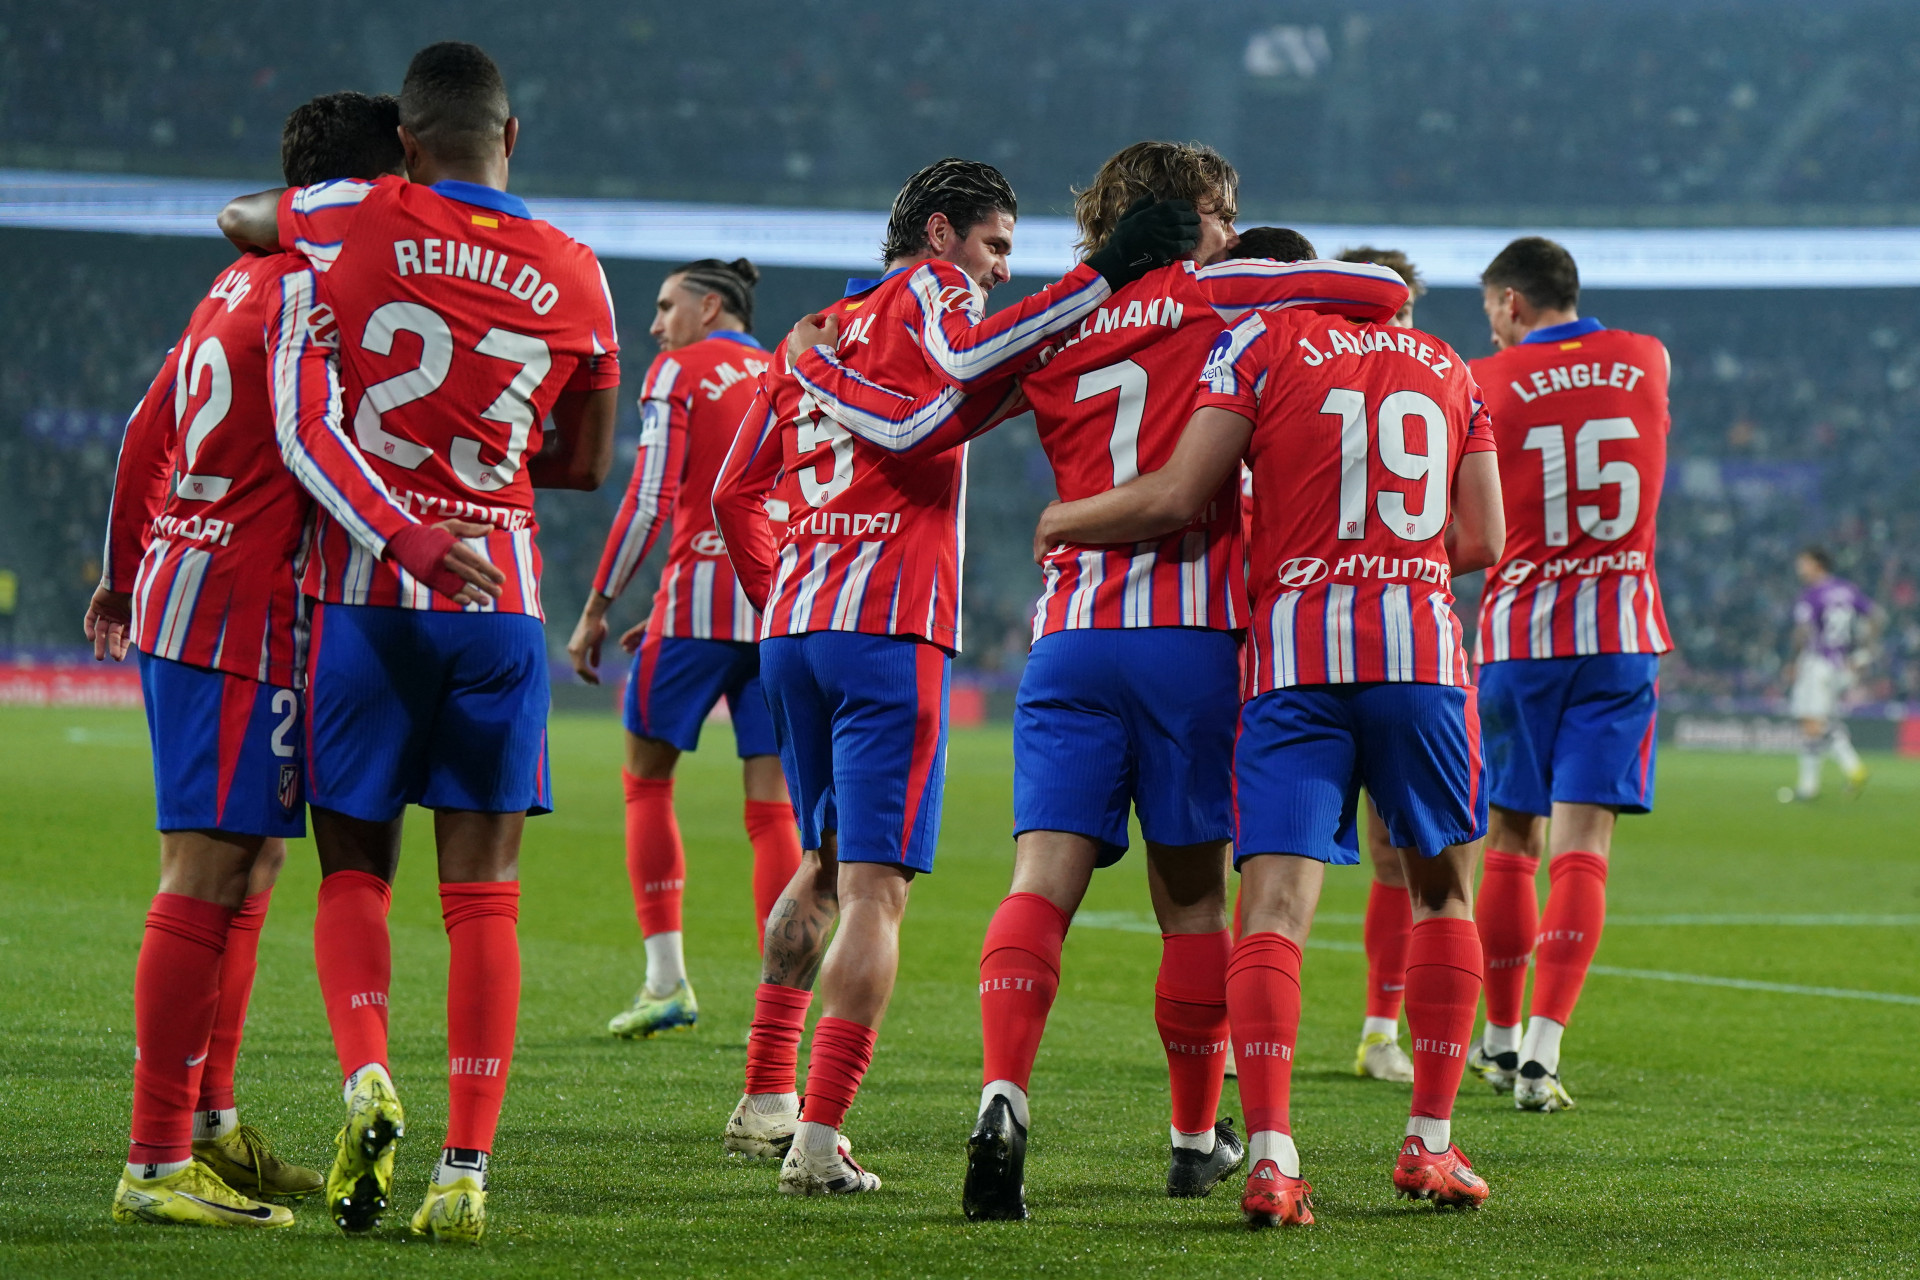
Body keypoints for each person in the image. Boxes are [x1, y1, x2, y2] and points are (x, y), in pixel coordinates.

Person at [784, 149, 1409, 1218]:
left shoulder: (1053, 324)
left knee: (1039, 884)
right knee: (1194, 900)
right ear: (1185, 217)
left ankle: (1002, 1095)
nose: (1227, 230)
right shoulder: (1223, 294)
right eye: (1218, 212)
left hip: (1070, 635)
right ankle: (1188, 1135)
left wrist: (812, 357)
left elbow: (936, 408)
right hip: (1193, 633)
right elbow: (1383, 294)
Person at [710, 157, 1197, 1197]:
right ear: (941, 235)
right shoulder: (932, 294)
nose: (997, 272)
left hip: (795, 628)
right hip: (889, 624)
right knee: (878, 890)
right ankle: (815, 1139)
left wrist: (781, 591)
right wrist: (1103, 277)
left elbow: (730, 490)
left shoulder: (813, 335)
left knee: (827, 865)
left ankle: (764, 1093)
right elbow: (961, 369)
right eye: (994, 248)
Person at [217, 42, 621, 1241]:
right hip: (496, 594)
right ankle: (463, 1169)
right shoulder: (577, 268)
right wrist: (486, 470)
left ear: (407, 140)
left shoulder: (354, 217)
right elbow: (590, 462)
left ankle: (364, 1076)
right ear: (515, 136)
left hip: (363, 595)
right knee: (483, 892)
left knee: (354, 871)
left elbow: (242, 217)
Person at [91, 90, 502, 1230]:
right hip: (245, 606)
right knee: (209, 870)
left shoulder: (232, 278)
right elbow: (314, 439)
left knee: (252, 867)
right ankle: (154, 1160)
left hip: (185, 575)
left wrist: (123, 568)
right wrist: (412, 537)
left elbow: (144, 427)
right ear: (377, 186)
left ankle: (208, 1123)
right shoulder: (315, 289)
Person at [1034, 286, 1505, 1225]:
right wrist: (1392, 560)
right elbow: (1484, 538)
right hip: (1417, 657)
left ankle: (1274, 1157)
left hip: (1293, 663)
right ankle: (1431, 1146)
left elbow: (1181, 493)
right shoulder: (1452, 366)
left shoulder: (1262, 345)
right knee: (1443, 894)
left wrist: (1066, 519)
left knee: (1274, 915)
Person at [566, 257, 799, 1038]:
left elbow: (650, 499)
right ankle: (782, 1003)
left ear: (708, 306)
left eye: (667, 307)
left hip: (697, 601)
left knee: (646, 782)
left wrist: (599, 604)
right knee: (772, 810)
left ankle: (666, 982)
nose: (656, 324)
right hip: (775, 608)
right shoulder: (783, 368)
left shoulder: (678, 371)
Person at [1467, 236, 1672, 1113]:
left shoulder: (1483, 380)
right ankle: (1544, 1055)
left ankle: (1502, 1041)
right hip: (1621, 628)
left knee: (1513, 839)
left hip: (1520, 632)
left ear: (1512, 303)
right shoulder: (1647, 357)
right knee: (1586, 844)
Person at [1333, 246, 1430, 1086]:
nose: (1400, 331)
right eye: (1386, 312)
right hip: (1294, 653)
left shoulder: (1433, 391)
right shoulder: (1297, 390)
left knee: (1397, 853)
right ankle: (1222, 1028)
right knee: (1258, 853)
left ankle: (1378, 1030)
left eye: (1407, 314)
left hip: (1398, 651)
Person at [1782, 547, 1878, 801]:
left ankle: (1850, 766)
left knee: (1813, 722)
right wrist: (1865, 654)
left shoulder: (1812, 595)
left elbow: (1803, 631)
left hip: (1817, 661)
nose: (1799, 568)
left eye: (1803, 563)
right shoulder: (1848, 590)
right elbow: (1876, 616)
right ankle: (1809, 786)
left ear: (1817, 565)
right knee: (1817, 722)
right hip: (1840, 664)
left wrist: (1792, 661)